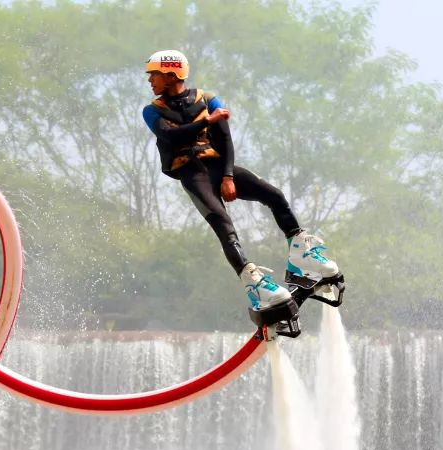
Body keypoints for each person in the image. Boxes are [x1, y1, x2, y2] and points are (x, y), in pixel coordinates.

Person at [141, 49, 340, 313]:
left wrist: (228, 176)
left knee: (275, 195)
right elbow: (170, 137)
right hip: (191, 173)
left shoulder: (208, 99)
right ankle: (255, 284)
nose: (149, 80)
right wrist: (208, 122)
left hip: (218, 166)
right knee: (224, 225)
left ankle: (300, 255)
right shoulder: (151, 111)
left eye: (153, 74)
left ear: (171, 73)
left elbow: (225, 140)